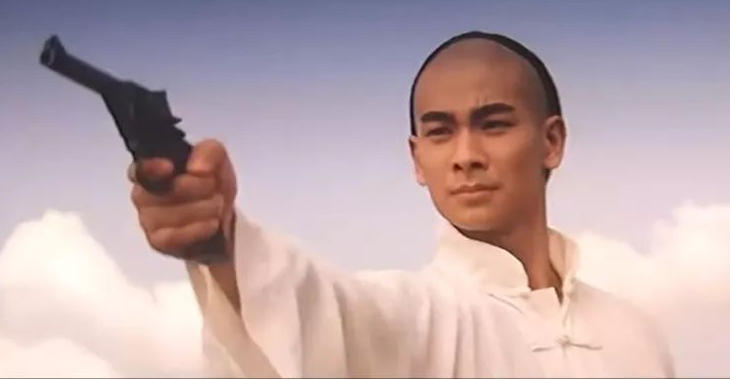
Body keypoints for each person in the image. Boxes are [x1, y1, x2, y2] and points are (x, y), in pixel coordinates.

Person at [128, 31, 676, 378]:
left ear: (551, 141)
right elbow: (318, 312)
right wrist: (220, 242)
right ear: (417, 159)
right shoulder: (417, 315)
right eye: (440, 133)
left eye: (493, 125)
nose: (466, 156)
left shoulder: (635, 334)